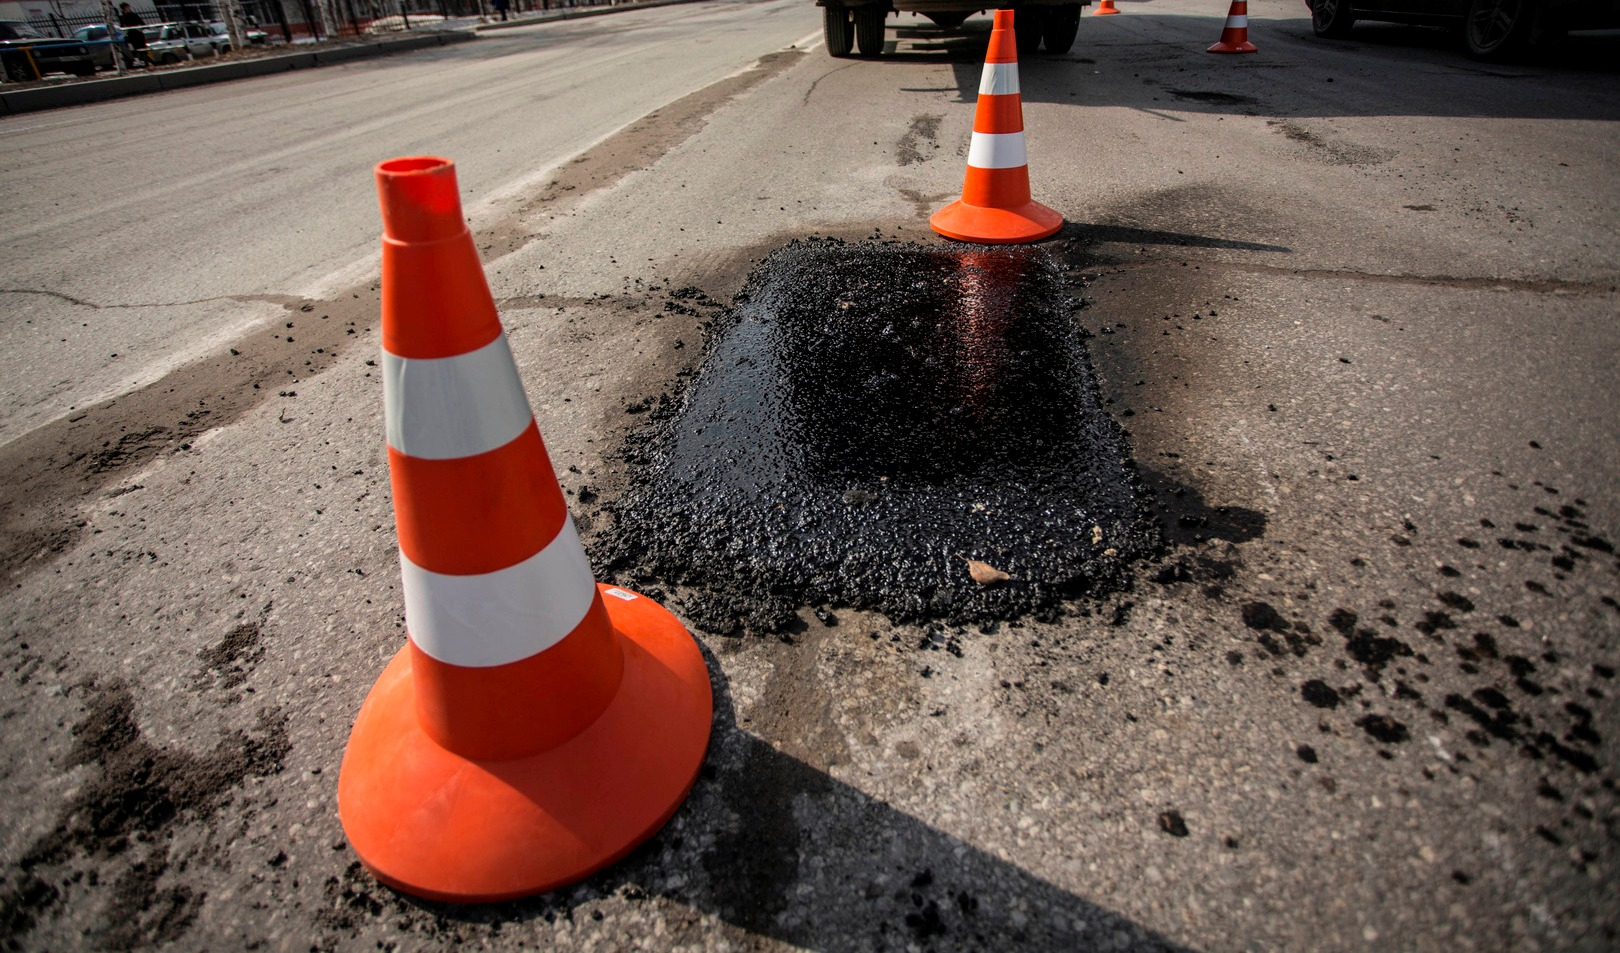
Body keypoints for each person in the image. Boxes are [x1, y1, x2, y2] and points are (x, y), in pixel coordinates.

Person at [117, 3, 148, 68]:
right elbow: (122, 26)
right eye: (127, 7)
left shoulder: (133, 15)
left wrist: (141, 28)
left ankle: (144, 61)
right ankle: (140, 61)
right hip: (132, 35)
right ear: (125, 8)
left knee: (142, 48)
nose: (129, 8)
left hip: (137, 34)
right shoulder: (123, 17)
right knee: (135, 49)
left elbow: (142, 23)